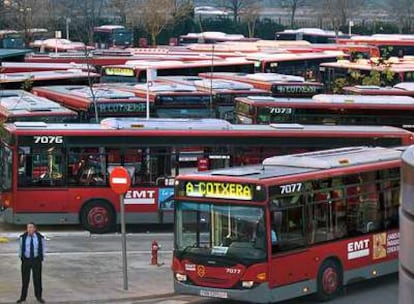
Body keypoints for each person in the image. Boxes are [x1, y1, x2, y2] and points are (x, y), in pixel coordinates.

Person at [17, 222, 46, 303]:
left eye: (31, 227)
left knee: (37, 279)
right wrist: (21, 258)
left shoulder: (40, 237)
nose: (29, 229)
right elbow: (20, 248)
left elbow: (43, 248)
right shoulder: (23, 237)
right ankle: (23, 297)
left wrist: (41, 258)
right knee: (25, 280)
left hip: (36, 260)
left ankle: (39, 296)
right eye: (28, 228)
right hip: (26, 260)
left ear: (34, 228)